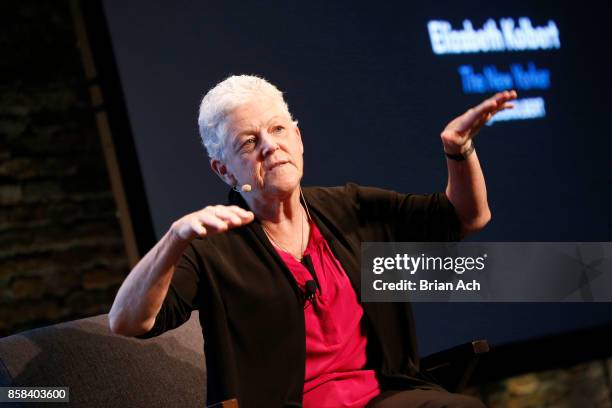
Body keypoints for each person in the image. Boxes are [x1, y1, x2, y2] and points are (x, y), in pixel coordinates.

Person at [109, 75, 517, 408]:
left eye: (278, 129)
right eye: (249, 142)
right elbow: (127, 322)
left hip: (383, 398)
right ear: (224, 171)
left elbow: (466, 217)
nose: (271, 146)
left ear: (298, 138)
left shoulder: (349, 207)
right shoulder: (212, 245)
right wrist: (175, 238)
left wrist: (458, 151)